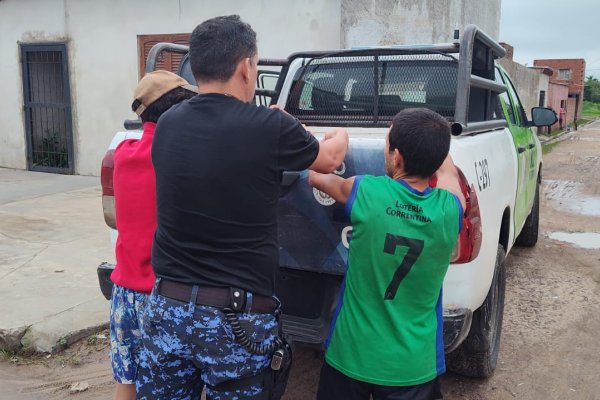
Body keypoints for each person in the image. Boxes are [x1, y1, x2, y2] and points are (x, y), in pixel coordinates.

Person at [138, 15, 349, 400]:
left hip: (167, 309)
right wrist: (340, 131)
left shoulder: (167, 123)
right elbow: (330, 158)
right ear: (246, 67)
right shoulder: (269, 128)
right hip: (237, 322)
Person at [310, 108, 466, 400]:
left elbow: (316, 177)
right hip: (411, 366)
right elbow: (448, 172)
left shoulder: (365, 192)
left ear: (397, 158)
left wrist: (338, 138)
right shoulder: (450, 209)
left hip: (350, 356)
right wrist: (434, 144)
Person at [109, 70, 197, 400]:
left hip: (123, 293)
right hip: (162, 295)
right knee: (168, 388)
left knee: (126, 381)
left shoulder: (122, 154)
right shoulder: (178, 158)